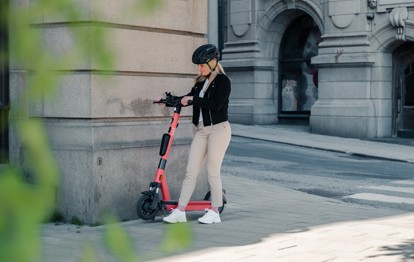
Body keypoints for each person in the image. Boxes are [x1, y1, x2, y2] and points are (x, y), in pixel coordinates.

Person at [163, 44, 231, 224]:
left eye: (202, 65)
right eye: (199, 65)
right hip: (201, 131)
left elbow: (215, 104)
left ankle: (215, 212)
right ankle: (180, 211)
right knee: (191, 171)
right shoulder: (201, 82)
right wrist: (169, 100)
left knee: (212, 172)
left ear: (213, 62)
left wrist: (193, 99)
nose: (199, 68)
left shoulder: (223, 81)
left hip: (219, 130)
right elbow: (188, 98)